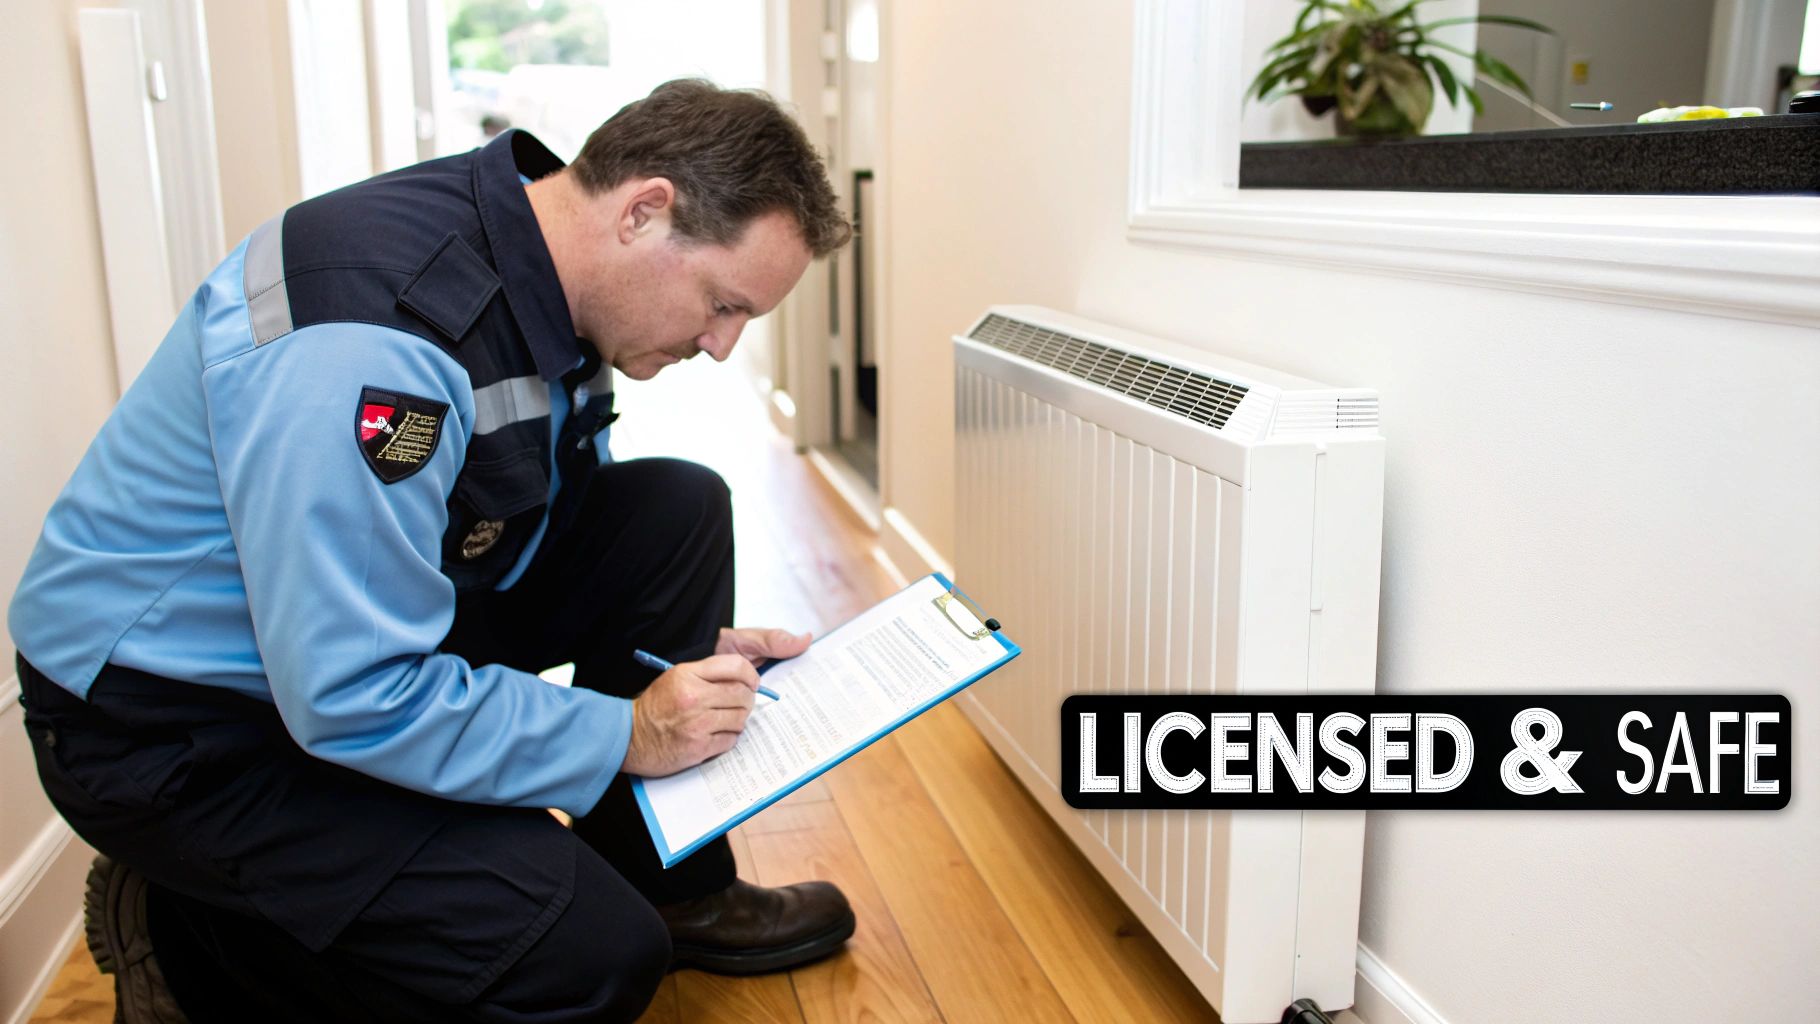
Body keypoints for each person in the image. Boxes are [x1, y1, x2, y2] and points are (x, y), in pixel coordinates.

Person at [11, 79, 853, 1022]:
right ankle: (193, 940)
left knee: (674, 510)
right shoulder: (378, 342)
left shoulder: (541, 258)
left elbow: (515, 515)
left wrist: (682, 667)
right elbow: (351, 691)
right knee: (590, 957)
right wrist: (631, 730)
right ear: (644, 210)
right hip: (174, 726)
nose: (723, 345)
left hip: (327, 641)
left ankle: (667, 876)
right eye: (722, 303)